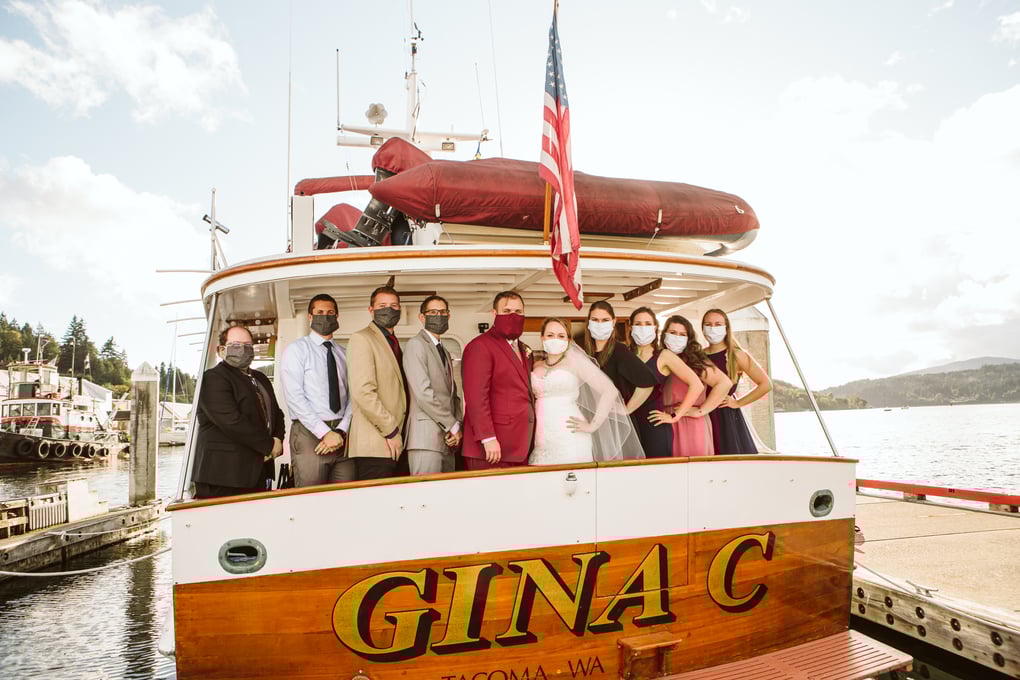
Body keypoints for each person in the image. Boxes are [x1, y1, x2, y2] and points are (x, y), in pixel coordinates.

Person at [530, 318, 644, 465]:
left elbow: (609, 391)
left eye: (561, 336)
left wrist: (593, 425)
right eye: (550, 335)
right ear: (542, 337)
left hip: (570, 433)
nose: (555, 339)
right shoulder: (536, 365)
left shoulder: (575, 362)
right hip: (542, 436)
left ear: (568, 340)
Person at [192, 325, 285, 498]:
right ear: (221, 350)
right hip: (223, 476)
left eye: (248, 345)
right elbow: (232, 421)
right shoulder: (213, 378)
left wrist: (278, 438)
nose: (243, 350)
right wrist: (268, 445)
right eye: (236, 344)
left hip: (258, 471)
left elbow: (277, 413)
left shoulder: (261, 378)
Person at [281, 293, 355, 487]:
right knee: (310, 498)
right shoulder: (296, 350)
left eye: (330, 312)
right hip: (309, 432)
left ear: (337, 317)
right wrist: (324, 432)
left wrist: (341, 430)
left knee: (345, 497)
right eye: (320, 312)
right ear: (310, 317)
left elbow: (353, 397)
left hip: (342, 434)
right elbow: (295, 397)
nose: (326, 316)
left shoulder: (343, 354)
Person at [461, 291, 535, 470]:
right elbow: (476, 397)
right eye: (507, 311)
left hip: (520, 445)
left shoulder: (524, 349)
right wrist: (488, 438)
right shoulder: (480, 346)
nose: (513, 316)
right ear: (494, 314)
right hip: (491, 448)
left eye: (518, 312)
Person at [347, 285, 408, 480]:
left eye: (393, 305)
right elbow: (363, 392)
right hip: (375, 444)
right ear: (371, 310)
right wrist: (391, 431)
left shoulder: (393, 341)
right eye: (382, 305)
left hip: (395, 442)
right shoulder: (362, 339)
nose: (388, 310)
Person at [654, 315, 732, 456]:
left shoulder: (694, 360)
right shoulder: (658, 358)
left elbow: (724, 383)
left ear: (688, 338)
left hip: (690, 421)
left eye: (682, 334)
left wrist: (700, 411)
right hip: (666, 419)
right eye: (672, 333)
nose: (677, 337)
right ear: (664, 334)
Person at [403, 295, 463, 475]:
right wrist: (452, 425)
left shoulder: (444, 350)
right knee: (424, 498)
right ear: (422, 317)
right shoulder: (416, 345)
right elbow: (423, 393)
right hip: (425, 439)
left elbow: (453, 396)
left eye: (443, 312)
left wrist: (457, 426)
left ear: (449, 316)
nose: (439, 316)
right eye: (433, 312)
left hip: (448, 440)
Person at [628, 307, 700, 457]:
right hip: (629, 423)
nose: (643, 328)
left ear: (655, 328)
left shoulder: (664, 356)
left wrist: (676, 416)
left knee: (658, 473)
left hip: (655, 424)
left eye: (648, 323)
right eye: (638, 324)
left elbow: (696, 385)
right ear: (631, 327)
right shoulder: (626, 354)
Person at [701, 308, 771, 455]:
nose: (713, 328)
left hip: (725, 416)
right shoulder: (698, 355)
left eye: (718, 324)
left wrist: (737, 403)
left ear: (726, 328)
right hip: (703, 413)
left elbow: (765, 384)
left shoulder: (736, 355)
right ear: (702, 328)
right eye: (708, 324)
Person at [582, 300, 656, 415]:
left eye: (605, 320)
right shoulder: (585, 352)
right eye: (595, 320)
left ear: (613, 322)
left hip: (614, 420)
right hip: (591, 415)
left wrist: (626, 410)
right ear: (589, 322)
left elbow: (647, 383)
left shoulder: (619, 350)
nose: (600, 324)